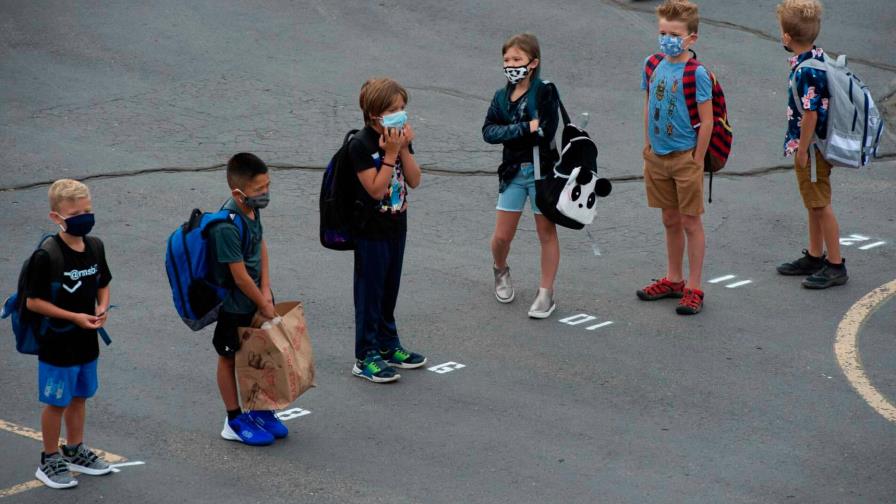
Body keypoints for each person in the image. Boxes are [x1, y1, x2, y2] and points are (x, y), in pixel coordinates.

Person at [26, 179, 113, 488]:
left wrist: (102, 306)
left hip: (86, 339)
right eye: (76, 213)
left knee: (79, 396)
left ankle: (75, 449)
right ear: (57, 217)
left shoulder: (95, 246)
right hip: (58, 342)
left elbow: (103, 281)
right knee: (56, 402)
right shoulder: (47, 256)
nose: (84, 217)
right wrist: (74, 317)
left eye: (87, 210)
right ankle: (49, 458)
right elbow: (33, 302)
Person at [636, 0, 713, 315]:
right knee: (669, 219)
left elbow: (707, 120)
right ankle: (673, 279)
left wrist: (697, 159)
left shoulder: (697, 73)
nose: (667, 38)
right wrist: (647, 146)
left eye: (674, 33)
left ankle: (694, 287)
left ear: (691, 38)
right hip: (657, 156)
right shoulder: (652, 64)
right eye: (663, 31)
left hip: (685, 158)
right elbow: (648, 104)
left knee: (690, 222)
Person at [347, 78, 427, 383]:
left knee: (390, 287)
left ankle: (387, 343)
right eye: (393, 110)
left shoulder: (399, 139)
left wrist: (403, 148)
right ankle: (364, 355)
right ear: (374, 114)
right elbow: (376, 190)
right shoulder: (361, 145)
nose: (400, 115)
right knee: (371, 291)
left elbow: (415, 179)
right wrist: (390, 154)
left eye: (403, 108)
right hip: (371, 229)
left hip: (397, 225)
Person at [210, 152, 287, 445]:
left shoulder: (252, 211)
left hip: (257, 298)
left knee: (260, 351)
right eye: (259, 190)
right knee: (229, 358)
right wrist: (261, 301)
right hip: (235, 306)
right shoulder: (226, 226)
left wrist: (266, 291)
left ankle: (260, 408)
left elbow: (260, 246)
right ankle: (233, 419)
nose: (265, 193)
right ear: (238, 193)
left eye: (267, 186)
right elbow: (239, 275)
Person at [483, 33, 562, 319]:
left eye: (517, 59)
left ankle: (545, 293)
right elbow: (488, 132)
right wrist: (522, 129)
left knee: (546, 233)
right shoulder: (501, 97)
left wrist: (524, 132)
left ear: (533, 62)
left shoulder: (544, 91)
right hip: (513, 172)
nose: (511, 64)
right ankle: (500, 269)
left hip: (542, 173)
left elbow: (547, 131)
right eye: (507, 59)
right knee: (502, 236)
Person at [775, 0, 847, 288]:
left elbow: (810, 113)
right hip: (817, 144)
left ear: (787, 37)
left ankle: (836, 264)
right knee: (813, 203)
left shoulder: (806, 70)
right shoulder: (817, 57)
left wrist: (803, 150)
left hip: (813, 146)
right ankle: (815, 254)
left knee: (820, 204)